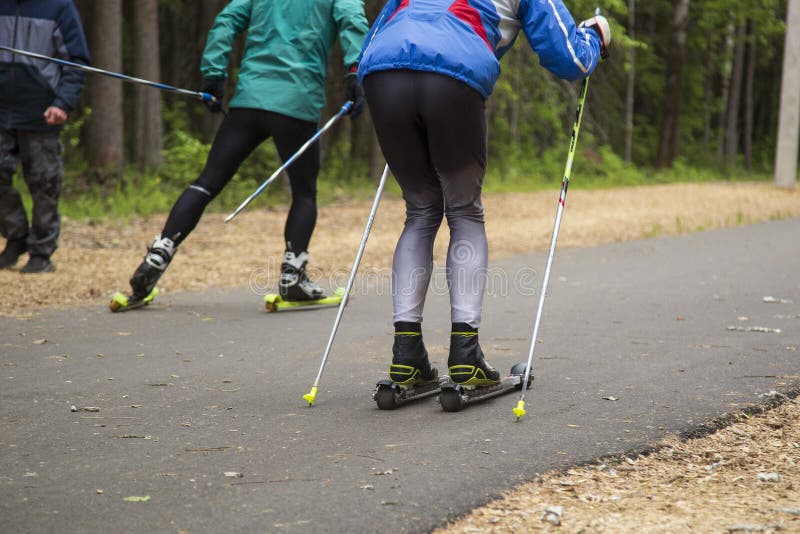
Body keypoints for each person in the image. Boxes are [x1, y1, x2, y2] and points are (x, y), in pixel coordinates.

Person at [358, 1, 610, 388]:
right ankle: (465, 355)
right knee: (464, 213)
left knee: (421, 210)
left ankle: (406, 356)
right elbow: (570, 60)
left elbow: (375, 35)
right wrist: (595, 35)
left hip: (384, 72)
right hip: (452, 74)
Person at [115, 0, 368, 309]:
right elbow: (353, 23)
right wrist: (356, 73)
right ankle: (293, 277)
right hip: (296, 104)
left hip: (249, 101)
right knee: (304, 192)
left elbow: (226, 21)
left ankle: (158, 253)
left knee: (206, 182)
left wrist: (214, 73)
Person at [0, 0, 90, 273]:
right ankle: (16, 236)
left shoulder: (59, 7)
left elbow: (77, 61)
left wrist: (63, 103)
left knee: (44, 182)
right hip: (1, 108)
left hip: (42, 109)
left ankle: (42, 251)